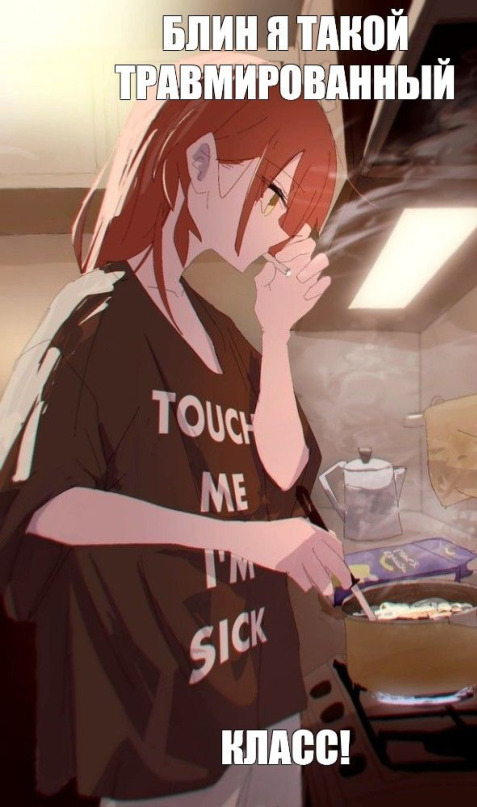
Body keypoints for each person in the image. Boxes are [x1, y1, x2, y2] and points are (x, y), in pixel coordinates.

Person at [0, 57, 351, 807]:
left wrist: (277, 332)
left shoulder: (230, 336)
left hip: (264, 694)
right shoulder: (95, 315)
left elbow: (282, 472)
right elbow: (46, 505)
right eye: (275, 192)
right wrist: (249, 541)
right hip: (160, 719)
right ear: (199, 160)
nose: (283, 225)